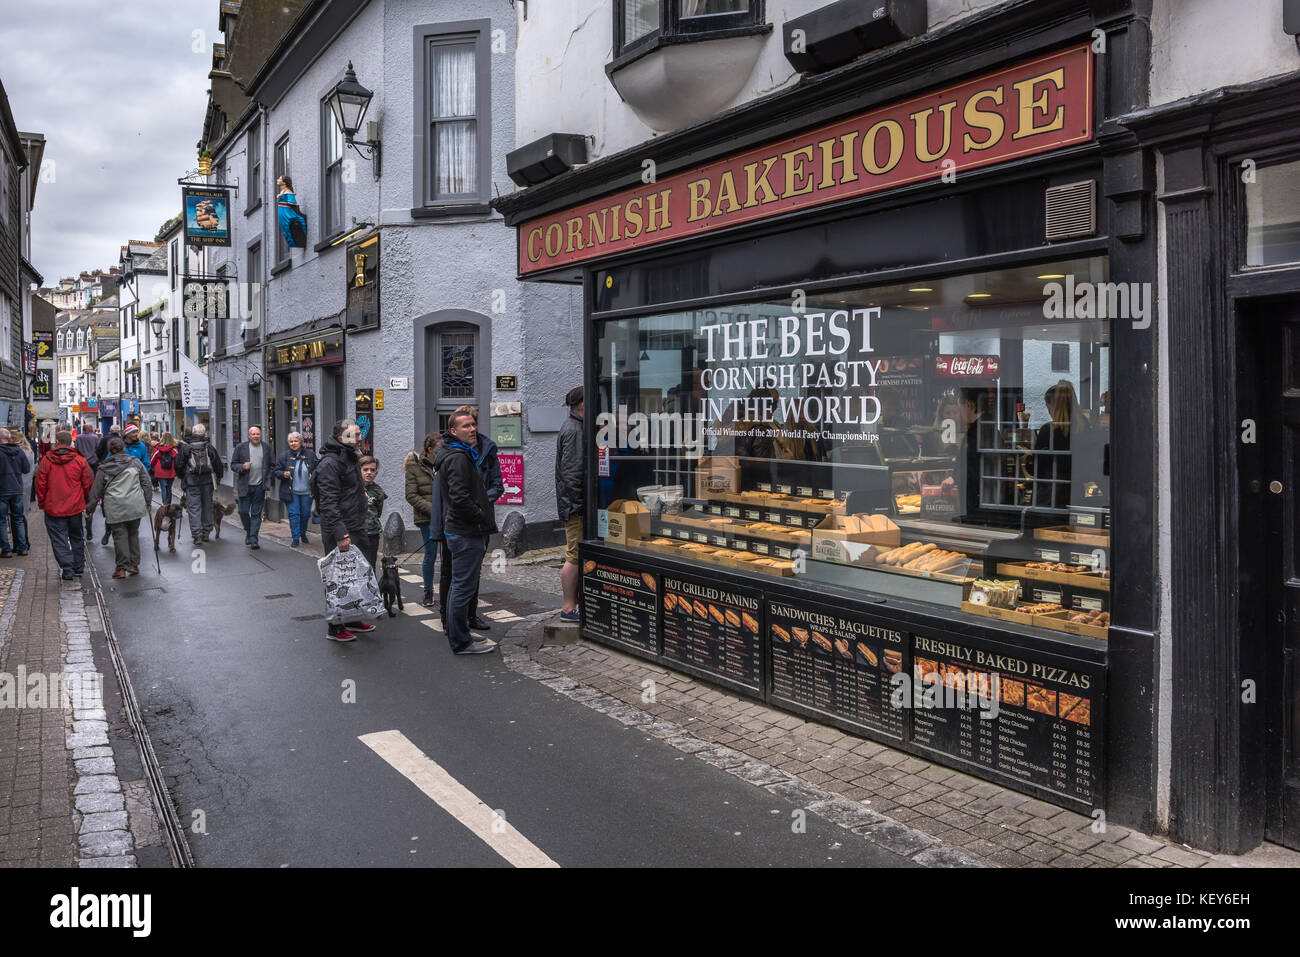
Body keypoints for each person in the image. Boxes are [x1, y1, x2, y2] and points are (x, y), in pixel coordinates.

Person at [434, 409, 498, 655]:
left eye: (473, 425)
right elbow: (460, 498)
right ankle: (461, 642)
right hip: (466, 531)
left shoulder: (454, 453)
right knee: (462, 588)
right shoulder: (458, 457)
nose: (471, 430)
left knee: (460, 587)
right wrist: (480, 515)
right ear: (453, 431)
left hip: (461, 530)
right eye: (465, 426)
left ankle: (460, 634)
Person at [314, 419, 376, 642]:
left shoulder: (349, 457)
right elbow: (328, 503)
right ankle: (335, 626)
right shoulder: (330, 463)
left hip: (355, 525)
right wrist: (341, 534)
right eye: (356, 435)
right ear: (341, 438)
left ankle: (352, 618)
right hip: (340, 529)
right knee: (338, 578)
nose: (360, 438)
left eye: (360, 434)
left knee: (355, 575)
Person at [87, 436, 152, 579]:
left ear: (110, 450)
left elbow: (96, 490)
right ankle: (134, 565)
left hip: (114, 506)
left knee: (119, 535)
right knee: (133, 533)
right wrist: (148, 501)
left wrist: (90, 509)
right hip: (135, 505)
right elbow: (146, 483)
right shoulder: (136, 463)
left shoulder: (104, 468)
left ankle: (121, 568)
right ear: (123, 448)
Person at [35, 430, 94, 579]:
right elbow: (87, 483)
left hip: (53, 506)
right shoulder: (80, 460)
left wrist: (42, 503)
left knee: (58, 538)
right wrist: (87, 501)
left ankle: (67, 567)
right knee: (76, 536)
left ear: (58, 442)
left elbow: (40, 484)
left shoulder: (47, 461)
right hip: (74, 506)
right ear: (70, 442)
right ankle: (78, 566)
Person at [555, 386, 584, 621]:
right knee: (573, 555)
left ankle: (573, 605)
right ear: (581, 404)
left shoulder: (572, 426)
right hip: (576, 507)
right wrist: (580, 504)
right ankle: (568, 608)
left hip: (572, 504)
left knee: (574, 553)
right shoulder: (574, 429)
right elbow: (572, 473)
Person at [1031, 381, 1082, 510]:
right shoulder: (1085, 427)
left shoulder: (1048, 431)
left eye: (1047, 406)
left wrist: (1030, 455)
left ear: (1051, 406)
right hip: (1078, 494)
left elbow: (1036, 469)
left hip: (1051, 498)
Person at [404, 434, 441, 606]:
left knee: (450, 555)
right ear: (429, 449)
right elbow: (411, 495)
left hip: (449, 516)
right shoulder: (415, 467)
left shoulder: (447, 463)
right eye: (439, 447)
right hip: (427, 518)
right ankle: (428, 591)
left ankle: (450, 590)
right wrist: (434, 511)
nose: (442, 450)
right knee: (430, 554)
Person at [176, 422, 225, 546]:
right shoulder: (209, 447)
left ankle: (196, 535)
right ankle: (206, 532)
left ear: (192, 433)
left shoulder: (185, 447)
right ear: (204, 434)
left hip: (191, 482)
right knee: (207, 506)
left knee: (194, 509)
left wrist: (183, 477)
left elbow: (178, 465)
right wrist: (218, 478)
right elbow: (218, 465)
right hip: (207, 482)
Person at [231, 425, 275, 549]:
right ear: (249, 436)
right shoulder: (241, 447)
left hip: (259, 487)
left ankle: (254, 539)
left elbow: (273, 465)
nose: (256, 436)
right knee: (243, 511)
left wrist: (268, 479)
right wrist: (242, 467)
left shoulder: (267, 448)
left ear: (261, 435)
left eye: (258, 434)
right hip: (245, 486)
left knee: (256, 514)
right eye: (253, 434)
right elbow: (233, 465)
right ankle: (249, 532)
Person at [275, 432, 318, 547]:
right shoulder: (284, 456)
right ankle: (295, 538)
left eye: (296, 441)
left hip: (307, 492)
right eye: (291, 441)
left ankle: (302, 534)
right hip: (291, 492)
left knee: (305, 515)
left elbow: (318, 470)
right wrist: (283, 473)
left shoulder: (310, 455)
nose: (293, 443)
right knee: (294, 515)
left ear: (301, 442)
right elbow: (276, 471)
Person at [0, 428, 32, 557]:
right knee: (18, 518)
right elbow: (26, 469)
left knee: (1, 520)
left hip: (2, 489)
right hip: (17, 489)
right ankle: (22, 547)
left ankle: (6, 550)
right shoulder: (19, 451)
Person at [74, 424, 101, 541]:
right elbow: (98, 449)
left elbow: (76, 449)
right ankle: (89, 527)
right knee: (91, 486)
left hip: (80, 463)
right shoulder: (95, 437)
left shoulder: (78, 438)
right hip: (93, 463)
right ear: (90, 429)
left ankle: (80, 528)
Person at [359, 455, 386, 570]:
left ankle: (371, 588)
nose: (369, 473)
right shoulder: (352, 488)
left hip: (372, 533)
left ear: (376, 472)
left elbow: (378, 512)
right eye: (365, 470)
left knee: (370, 566)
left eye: (372, 470)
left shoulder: (378, 491)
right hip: (356, 532)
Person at [276, 175, 308, 248]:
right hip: (282, 211)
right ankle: (291, 242)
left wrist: (285, 199)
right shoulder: (283, 191)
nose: (277, 180)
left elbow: (292, 202)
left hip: (287, 211)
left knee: (287, 227)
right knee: (284, 228)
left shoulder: (288, 191)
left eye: (279, 179)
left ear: (284, 182)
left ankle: (294, 242)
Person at [150, 432, 179, 505]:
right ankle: (169, 505)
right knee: (169, 488)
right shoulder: (174, 449)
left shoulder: (157, 448)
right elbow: (178, 460)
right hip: (171, 471)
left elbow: (152, 460)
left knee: (163, 488)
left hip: (160, 471)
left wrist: (152, 467)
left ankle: (165, 506)